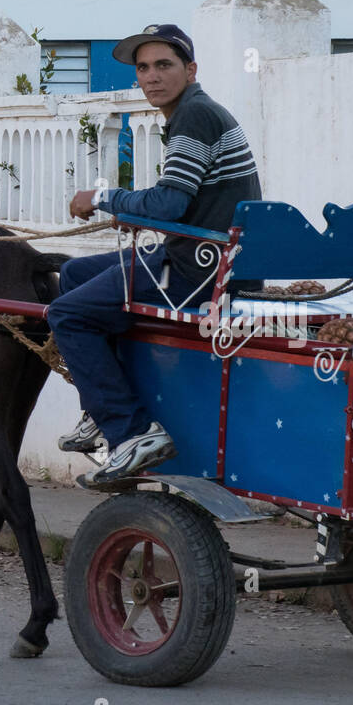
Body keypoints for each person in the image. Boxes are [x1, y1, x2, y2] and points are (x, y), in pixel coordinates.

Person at [47, 24, 261, 487]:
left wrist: (104, 196)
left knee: (66, 315)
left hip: (200, 273)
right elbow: (178, 204)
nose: (151, 77)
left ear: (190, 69)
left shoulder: (196, 116)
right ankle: (101, 409)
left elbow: (169, 203)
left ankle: (132, 432)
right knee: (74, 274)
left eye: (163, 65)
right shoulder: (192, 113)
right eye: (143, 68)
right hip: (208, 260)